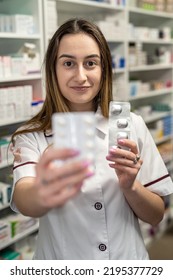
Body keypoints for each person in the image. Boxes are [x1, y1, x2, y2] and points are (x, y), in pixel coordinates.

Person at [10, 18, 173, 260]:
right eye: (68, 63)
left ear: (103, 68)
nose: (81, 76)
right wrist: (45, 187)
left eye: (90, 63)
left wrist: (131, 186)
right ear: (53, 69)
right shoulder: (32, 134)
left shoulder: (130, 124)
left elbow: (156, 214)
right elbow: (25, 200)